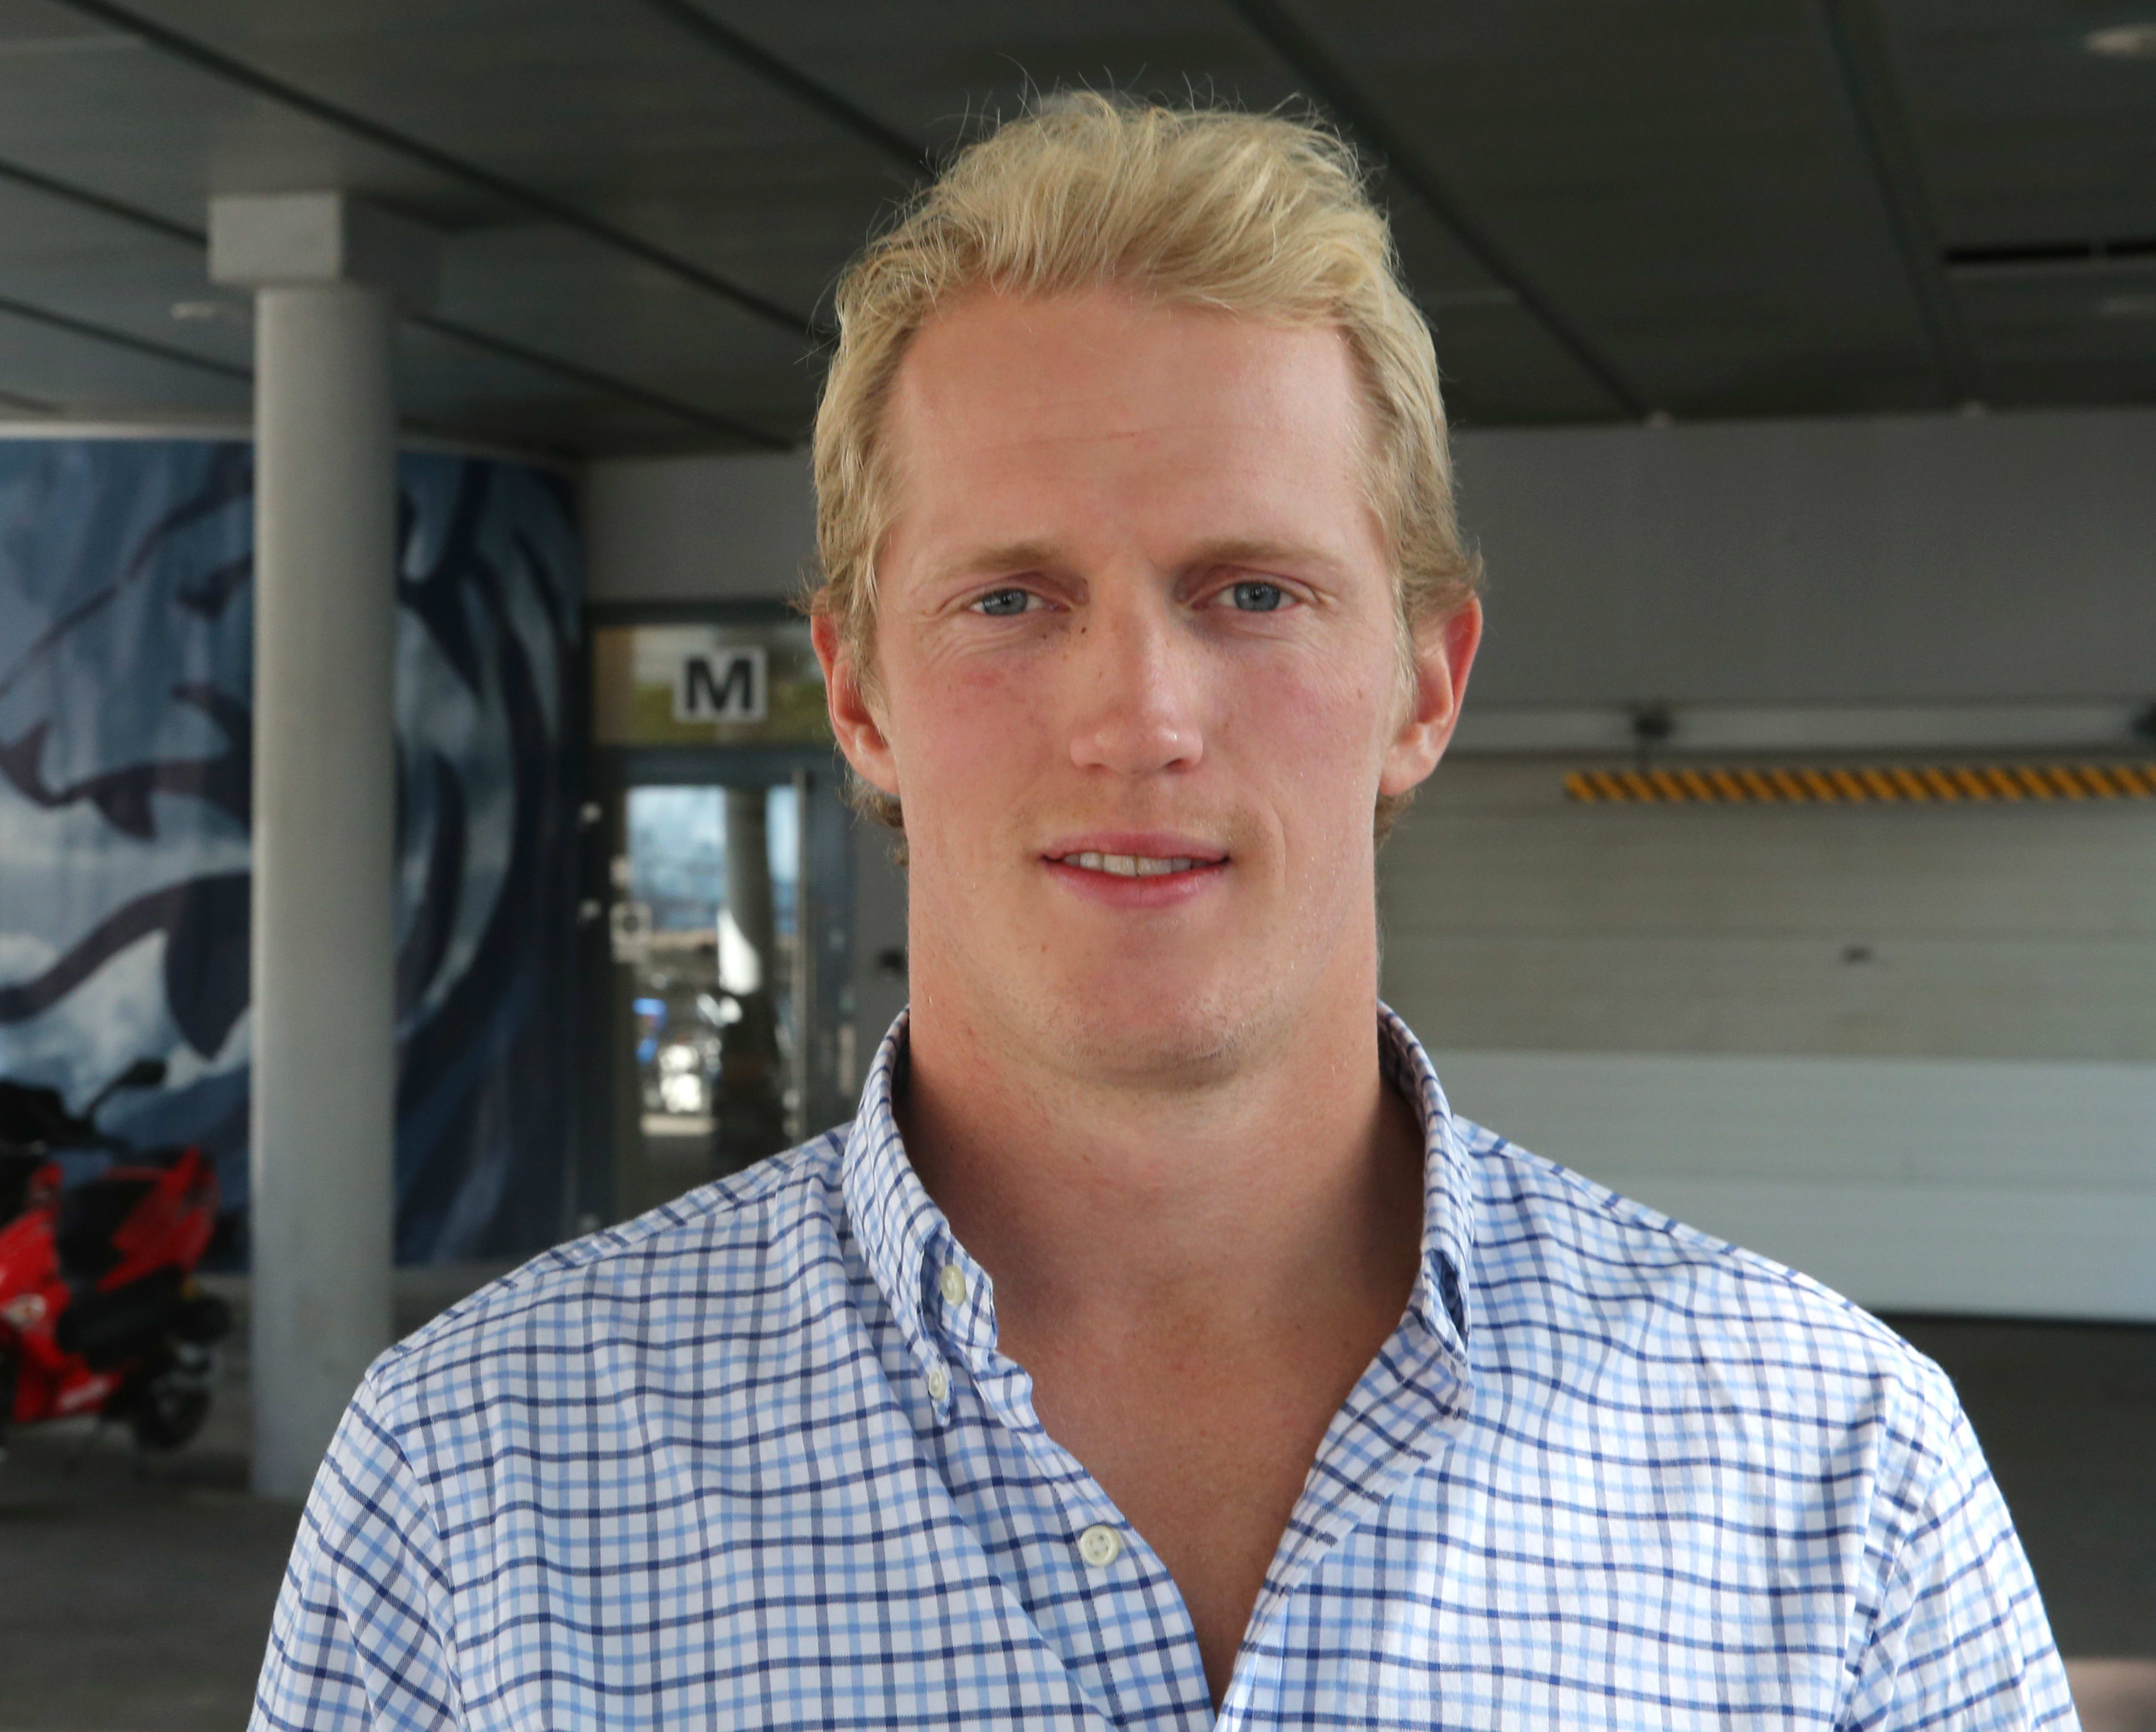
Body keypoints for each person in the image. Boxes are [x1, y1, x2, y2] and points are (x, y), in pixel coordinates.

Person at [252, 94, 2075, 1728]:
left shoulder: (1835, 1471)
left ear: (1427, 685)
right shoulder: (479, 1479)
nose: (1137, 720)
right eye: (1010, 601)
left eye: (1251, 592)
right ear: (859, 694)